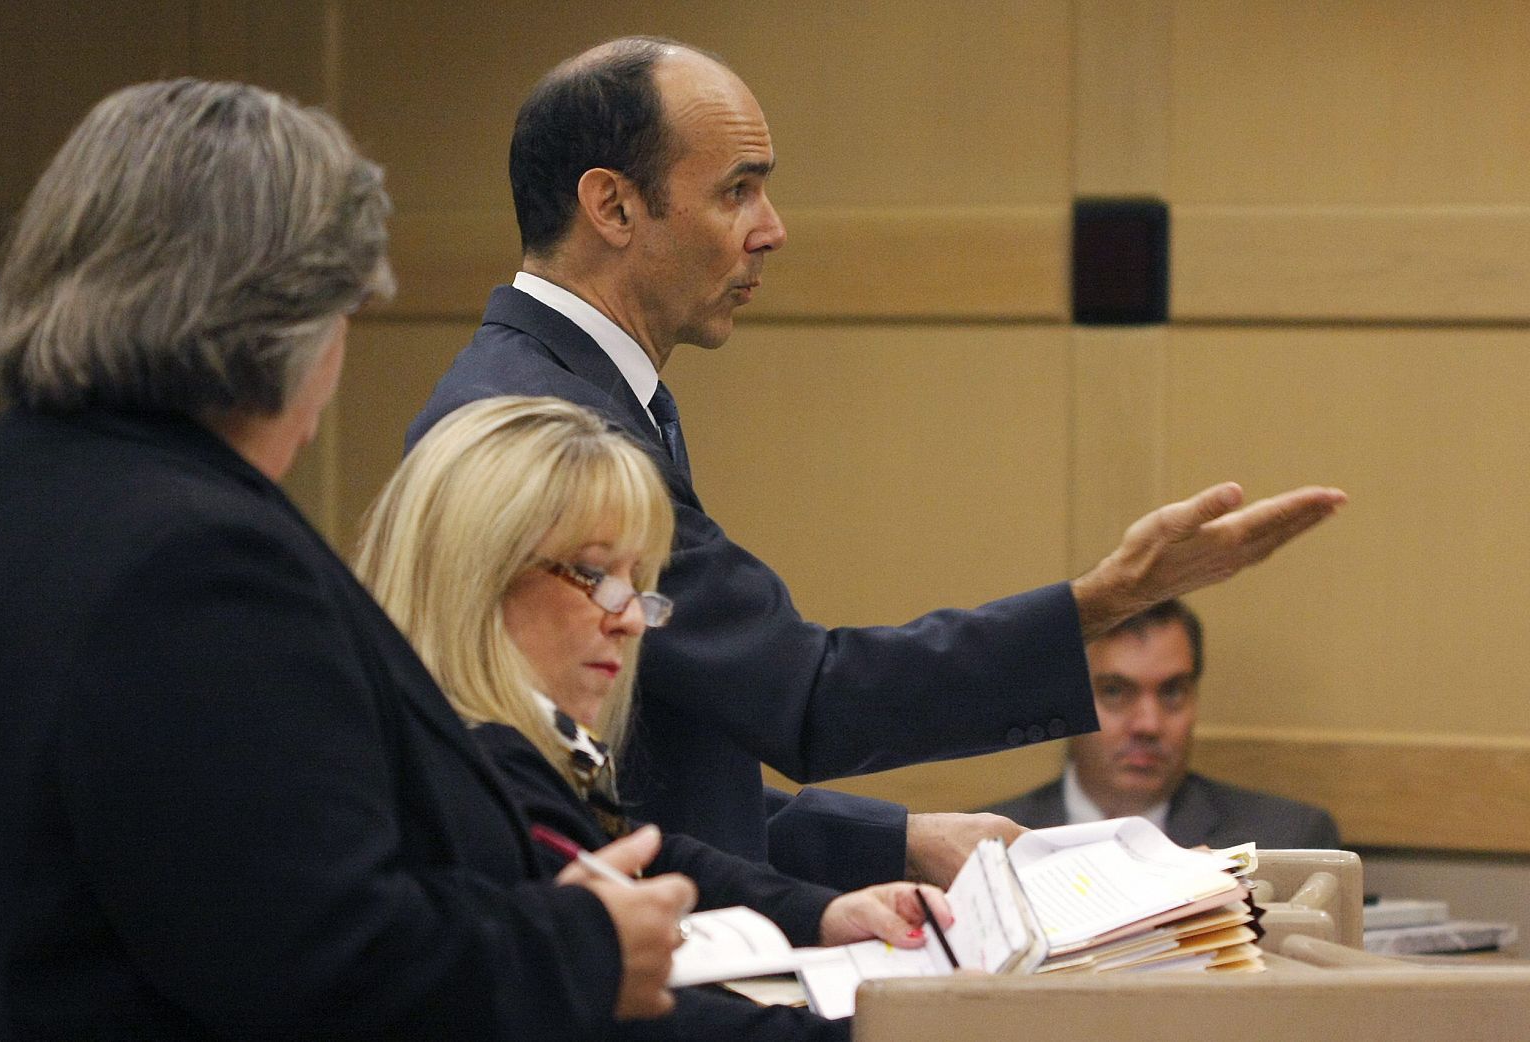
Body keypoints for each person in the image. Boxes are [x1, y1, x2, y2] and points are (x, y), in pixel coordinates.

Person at [406, 35, 1346, 892]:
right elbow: (806, 698)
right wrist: (1109, 596)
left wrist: (895, 839)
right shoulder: (553, 421)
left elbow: (663, 773)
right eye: (737, 190)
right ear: (612, 205)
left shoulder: (574, 387)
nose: (772, 228)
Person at [0, 79, 695, 1040]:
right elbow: (314, 957)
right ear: (283, 318)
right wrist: (582, 945)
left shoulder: (23, 473)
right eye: (342, 314)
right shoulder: (196, 561)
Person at [356, 393, 967, 1041]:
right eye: (594, 574)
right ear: (474, 570)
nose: (628, 618)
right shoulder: (454, 786)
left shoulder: (515, 751)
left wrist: (823, 914)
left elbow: (648, 858)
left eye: (637, 580)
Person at [979, 600, 1341, 849]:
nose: (1148, 725)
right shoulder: (985, 845)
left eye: (1172, 692)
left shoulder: (1286, 838)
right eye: (1115, 692)